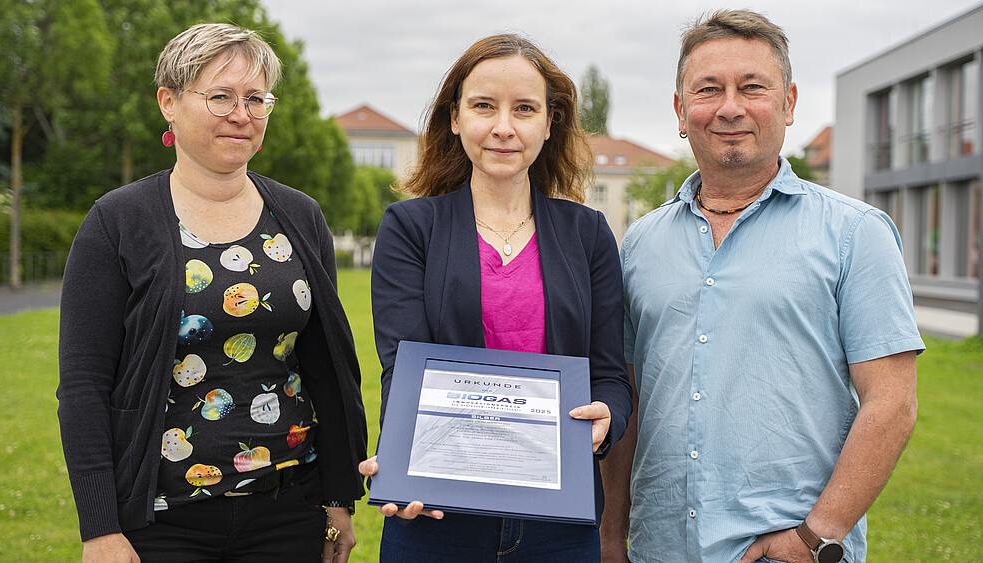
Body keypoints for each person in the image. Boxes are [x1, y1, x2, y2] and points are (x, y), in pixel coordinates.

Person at [599, 10, 924, 563]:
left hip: (788, 550)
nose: (730, 107)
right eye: (708, 90)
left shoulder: (855, 234)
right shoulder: (639, 245)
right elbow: (626, 399)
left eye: (752, 87)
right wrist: (610, 538)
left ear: (789, 102)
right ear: (681, 110)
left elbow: (892, 401)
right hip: (660, 549)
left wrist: (816, 536)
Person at [57, 23, 367, 562]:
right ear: (169, 103)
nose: (241, 114)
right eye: (220, 96)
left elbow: (325, 364)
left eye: (255, 98)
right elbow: (83, 386)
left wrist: (337, 494)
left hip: (289, 507)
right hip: (161, 519)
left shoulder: (299, 216)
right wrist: (100, 528)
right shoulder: (117, 221)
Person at [357, 33, 633, 562]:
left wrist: (607, 418)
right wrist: (400, 460)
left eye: (524, 109)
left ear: (550, 123)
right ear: (455, 118)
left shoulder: (589, 233)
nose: (503, 127)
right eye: (484, 106)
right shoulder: (411, 228)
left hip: (558, 522)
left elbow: (611, 377)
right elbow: (402, 367)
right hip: (437, 516)